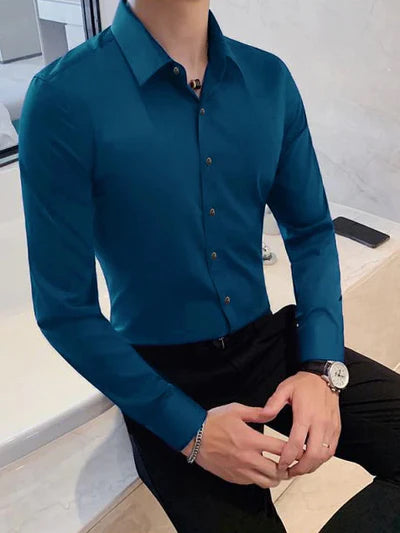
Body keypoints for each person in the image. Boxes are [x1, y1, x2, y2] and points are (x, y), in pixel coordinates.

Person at [18, 0, 400, 531]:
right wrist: (189, 431)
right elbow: (65, 310)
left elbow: (311, 232)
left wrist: (321, 368)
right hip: (165, 376)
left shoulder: (268, 80)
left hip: (267, 342)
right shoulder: (64, 97)